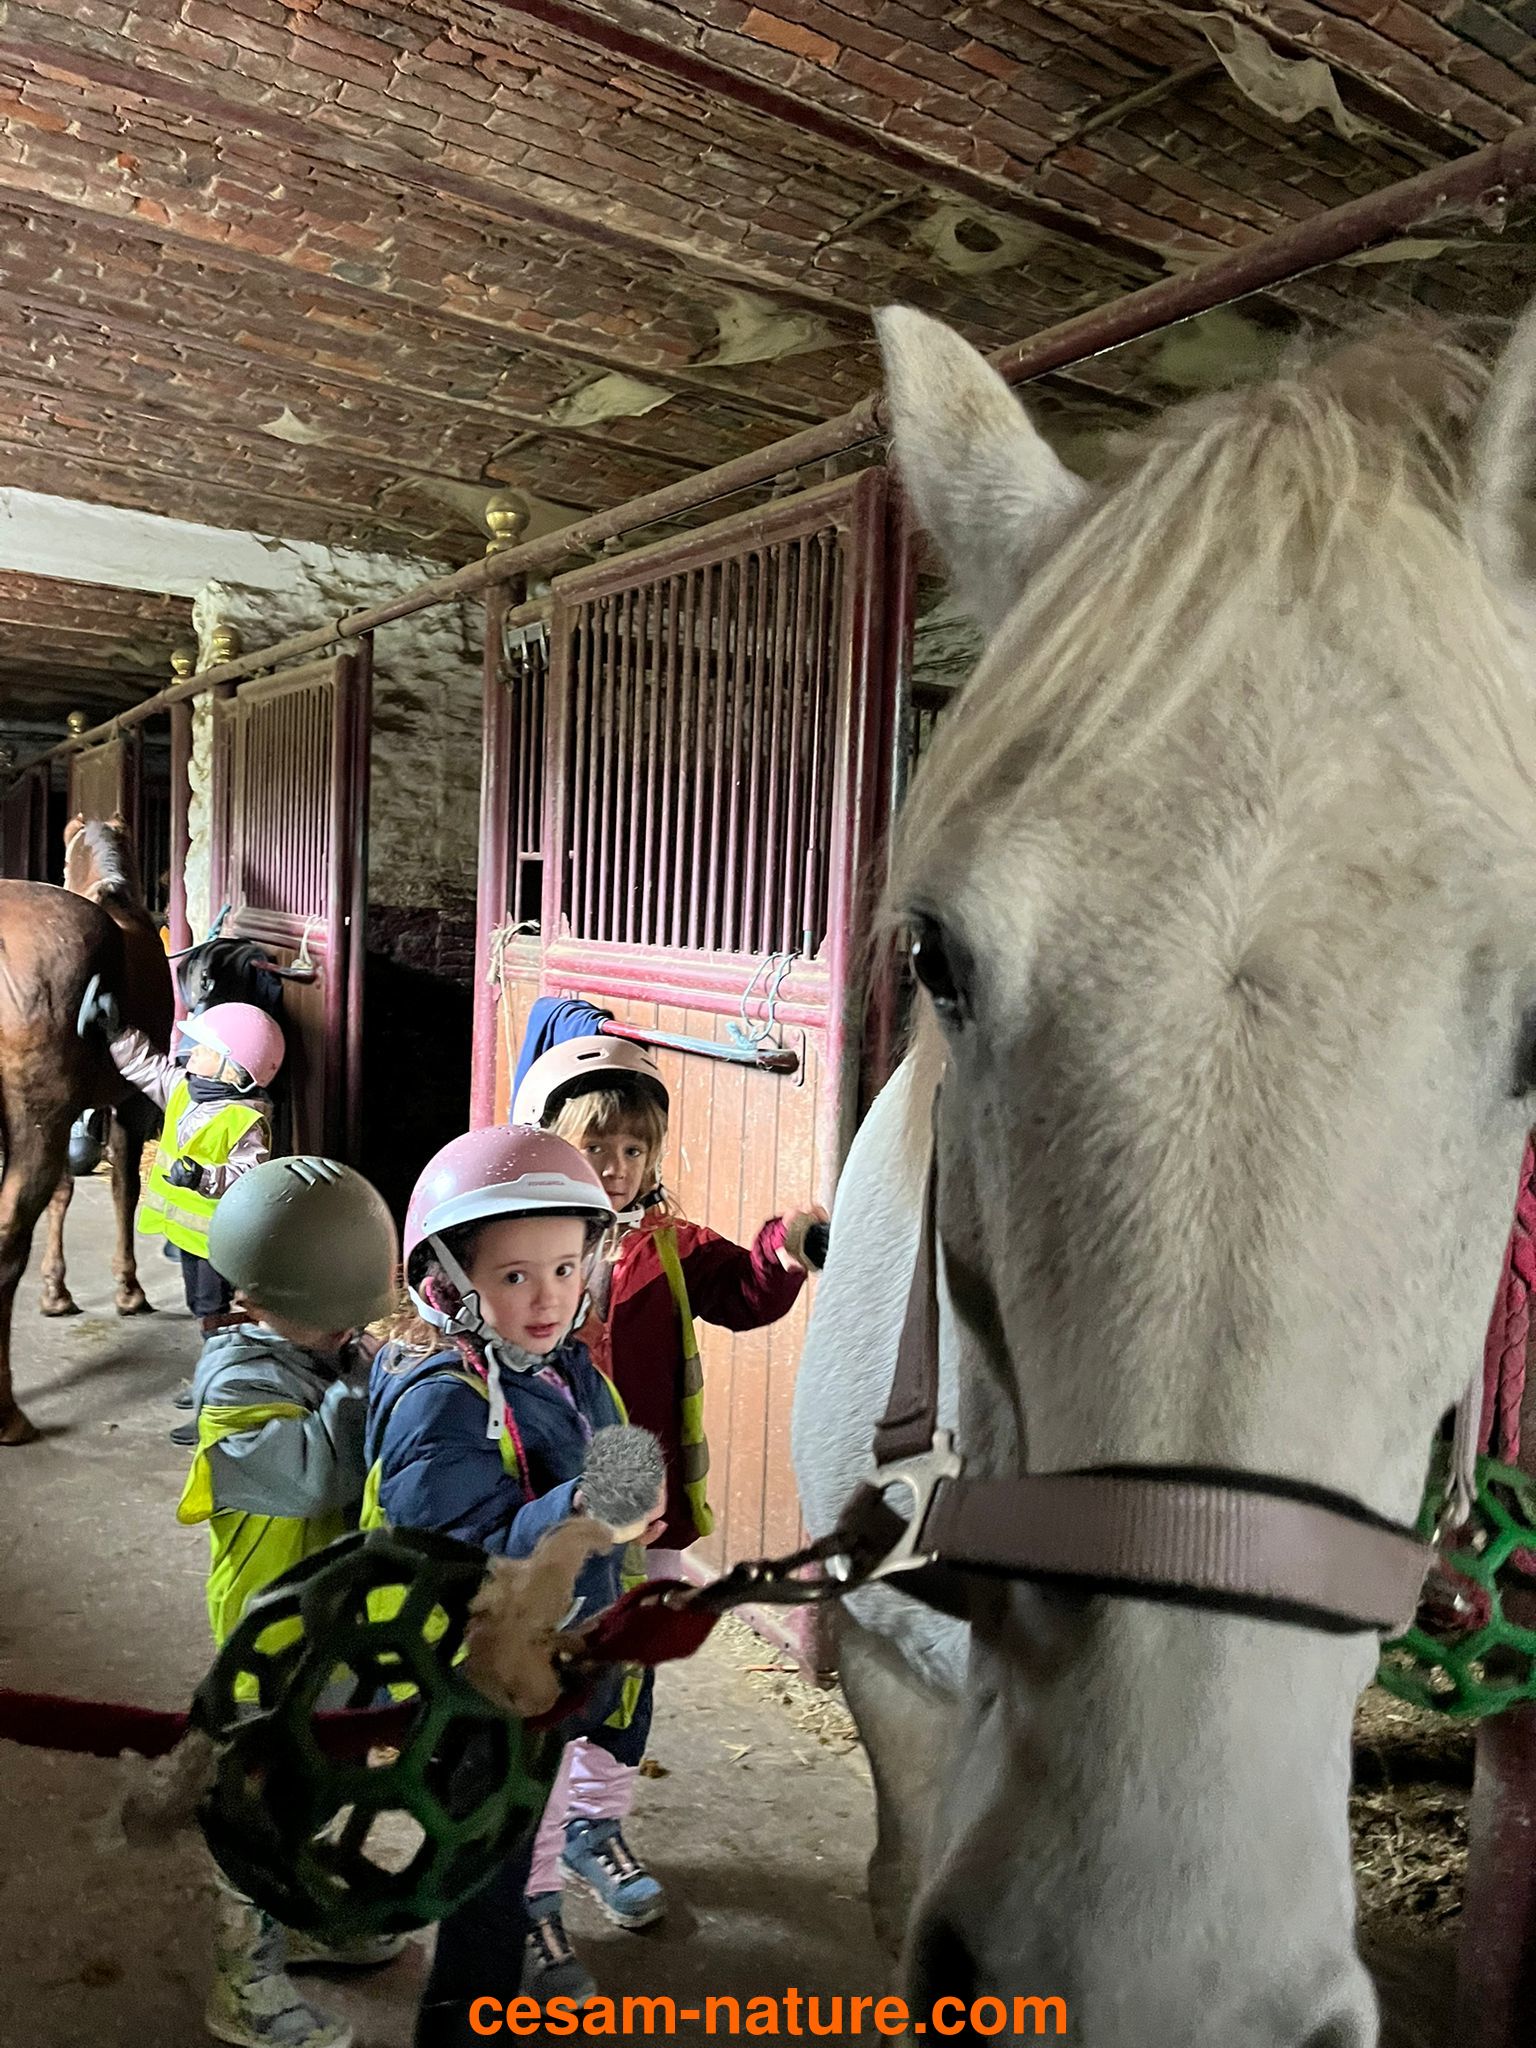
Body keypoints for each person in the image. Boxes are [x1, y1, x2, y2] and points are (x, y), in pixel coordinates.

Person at [508, 1035, 825, 1952]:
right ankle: (526, 1867)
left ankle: (594, 1826)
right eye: (595, 1146)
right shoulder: (519, 1251)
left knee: (623, 1679)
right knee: (536, 1684)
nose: (616, 1166)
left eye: (633, 1149)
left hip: (649, 1521)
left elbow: (745, 1291)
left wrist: (785, 1247)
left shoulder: (671, 1249)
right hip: (544, 1517)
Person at [366, 1126, 666, 2042]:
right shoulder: (440, 1400)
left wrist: (625, 1519)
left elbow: (608, 1467)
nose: (549, 1297)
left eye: (567, 1269)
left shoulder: (565, 1367)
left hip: (556, 1659)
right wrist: (581, 1511)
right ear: (444, 1282)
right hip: (480, 1688)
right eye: (514, 1276)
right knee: (484, 1881)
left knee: (527, 1827)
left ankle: (527, 1928)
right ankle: (461, 2018)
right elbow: (461, 1554)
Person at [178, 1155, 401, 2048]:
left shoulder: (330, 1349)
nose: (354, 1328)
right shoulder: (235, 1381)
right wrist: (373, 1383)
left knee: (318, 1784)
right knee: (260, 1809)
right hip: (269, 1643)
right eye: (339, 1314)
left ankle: (298, 1920)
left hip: (334, 1626)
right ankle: (245, 1983)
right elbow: (313, 1477)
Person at [112, 1000, 286, 1336]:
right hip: (186, 1234)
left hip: (215, 1240)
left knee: (211, 1310)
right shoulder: (186, 1090)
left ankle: (218, 1360)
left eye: (204, 1049)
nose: (192, 1052)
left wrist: (202, 1177)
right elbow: (149, 1068)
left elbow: (245, 1175)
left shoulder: (246, 1120)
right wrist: (118, 1034)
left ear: (232, 1069)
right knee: (198, 1304)